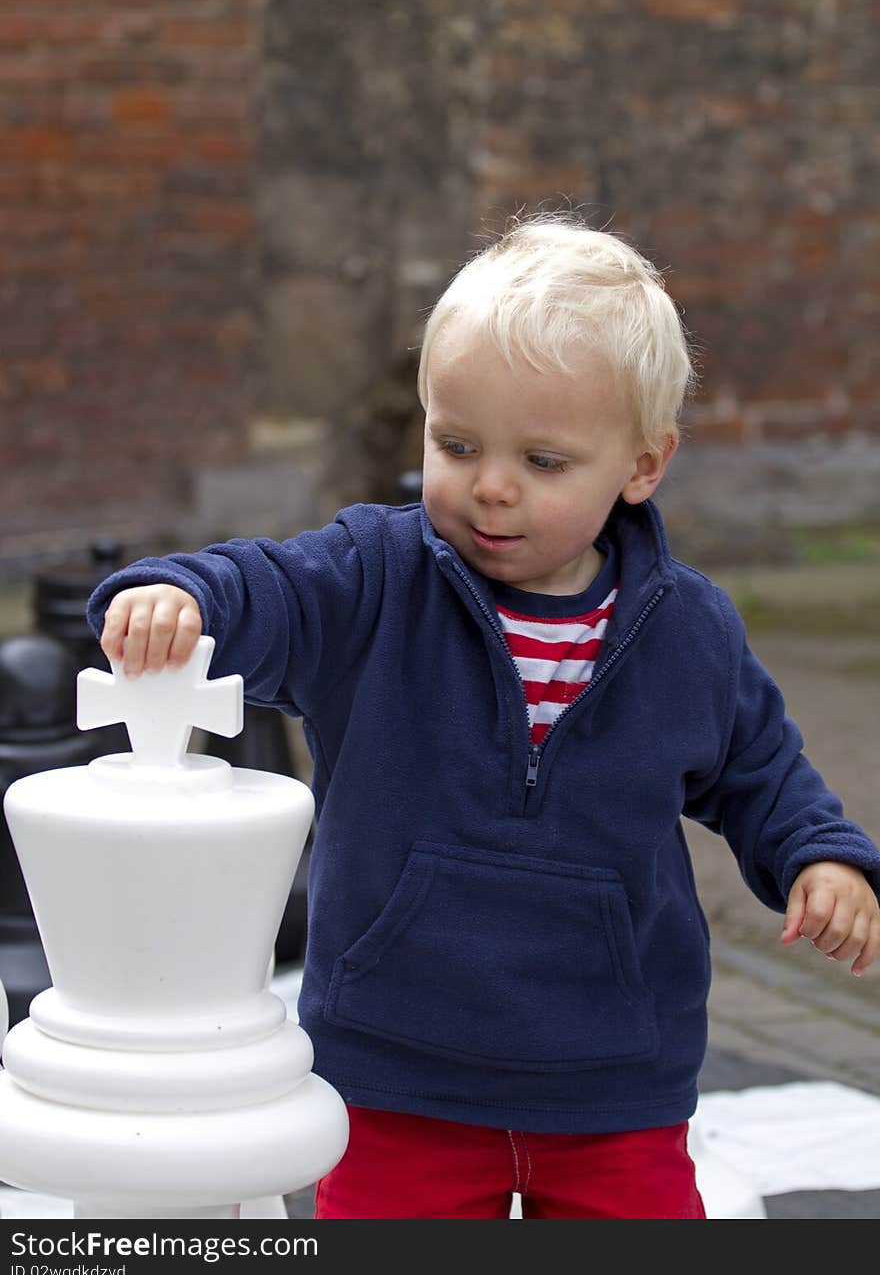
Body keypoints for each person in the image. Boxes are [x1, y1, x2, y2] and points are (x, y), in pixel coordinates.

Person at [87, 215, 880, 1220]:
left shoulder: (690, 631)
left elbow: (764, 773)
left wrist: (823, 858)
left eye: (544, 462)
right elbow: (268, 583)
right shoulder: (374, 578)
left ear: (642, 465)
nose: (490, 486)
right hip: (394, 1076)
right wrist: (182, 595)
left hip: (614, 1084)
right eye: (456, 444)